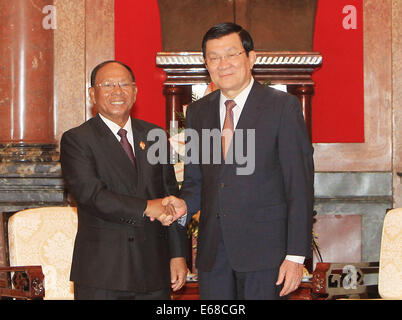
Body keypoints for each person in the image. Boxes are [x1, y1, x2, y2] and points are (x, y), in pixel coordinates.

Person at [163, 22, 315, 300]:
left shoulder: (282, 107)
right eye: (214, 57)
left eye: (231, 54)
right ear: (206, 64)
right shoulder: (198, 113)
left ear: (251, 58)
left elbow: (299, 186)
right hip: (213, 257)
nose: (223, 64)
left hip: (267, 256)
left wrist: (295, 256)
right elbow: (198, 181)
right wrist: (183, 205)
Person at [60, 60, 187, 300]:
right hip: (104, 273)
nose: (117, 91)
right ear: (92, 94)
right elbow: (92, 196)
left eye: (124, 84)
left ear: (135, 91)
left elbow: (171, 195)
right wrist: (148, 207)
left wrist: (177, 255)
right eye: (107, 84)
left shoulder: (154, 135)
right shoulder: (77, 139)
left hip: (154, 269)